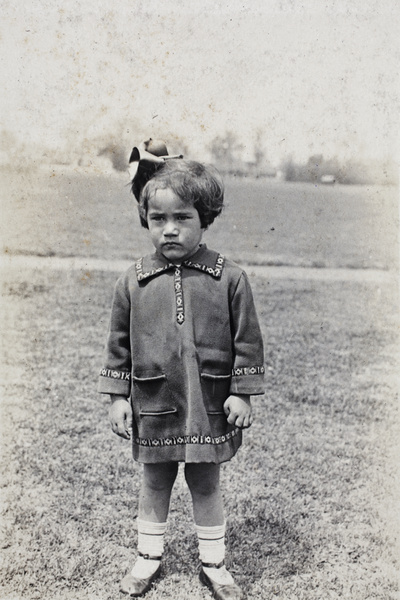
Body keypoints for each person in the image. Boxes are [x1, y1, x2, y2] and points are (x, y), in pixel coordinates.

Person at [98, 139, 265, 599]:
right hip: (154, 401)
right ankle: (148, 557)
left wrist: (242, 391)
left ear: (204, 218)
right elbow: (118, 346)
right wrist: (117, 398)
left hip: (209, 401)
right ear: (146, 221)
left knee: (205, 480)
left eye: (182, 218)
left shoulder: (229, 278)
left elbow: (246, 341)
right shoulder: (132, 280)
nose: (169, 230)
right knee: (155, 479)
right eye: (158, 219)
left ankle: (214, 564)